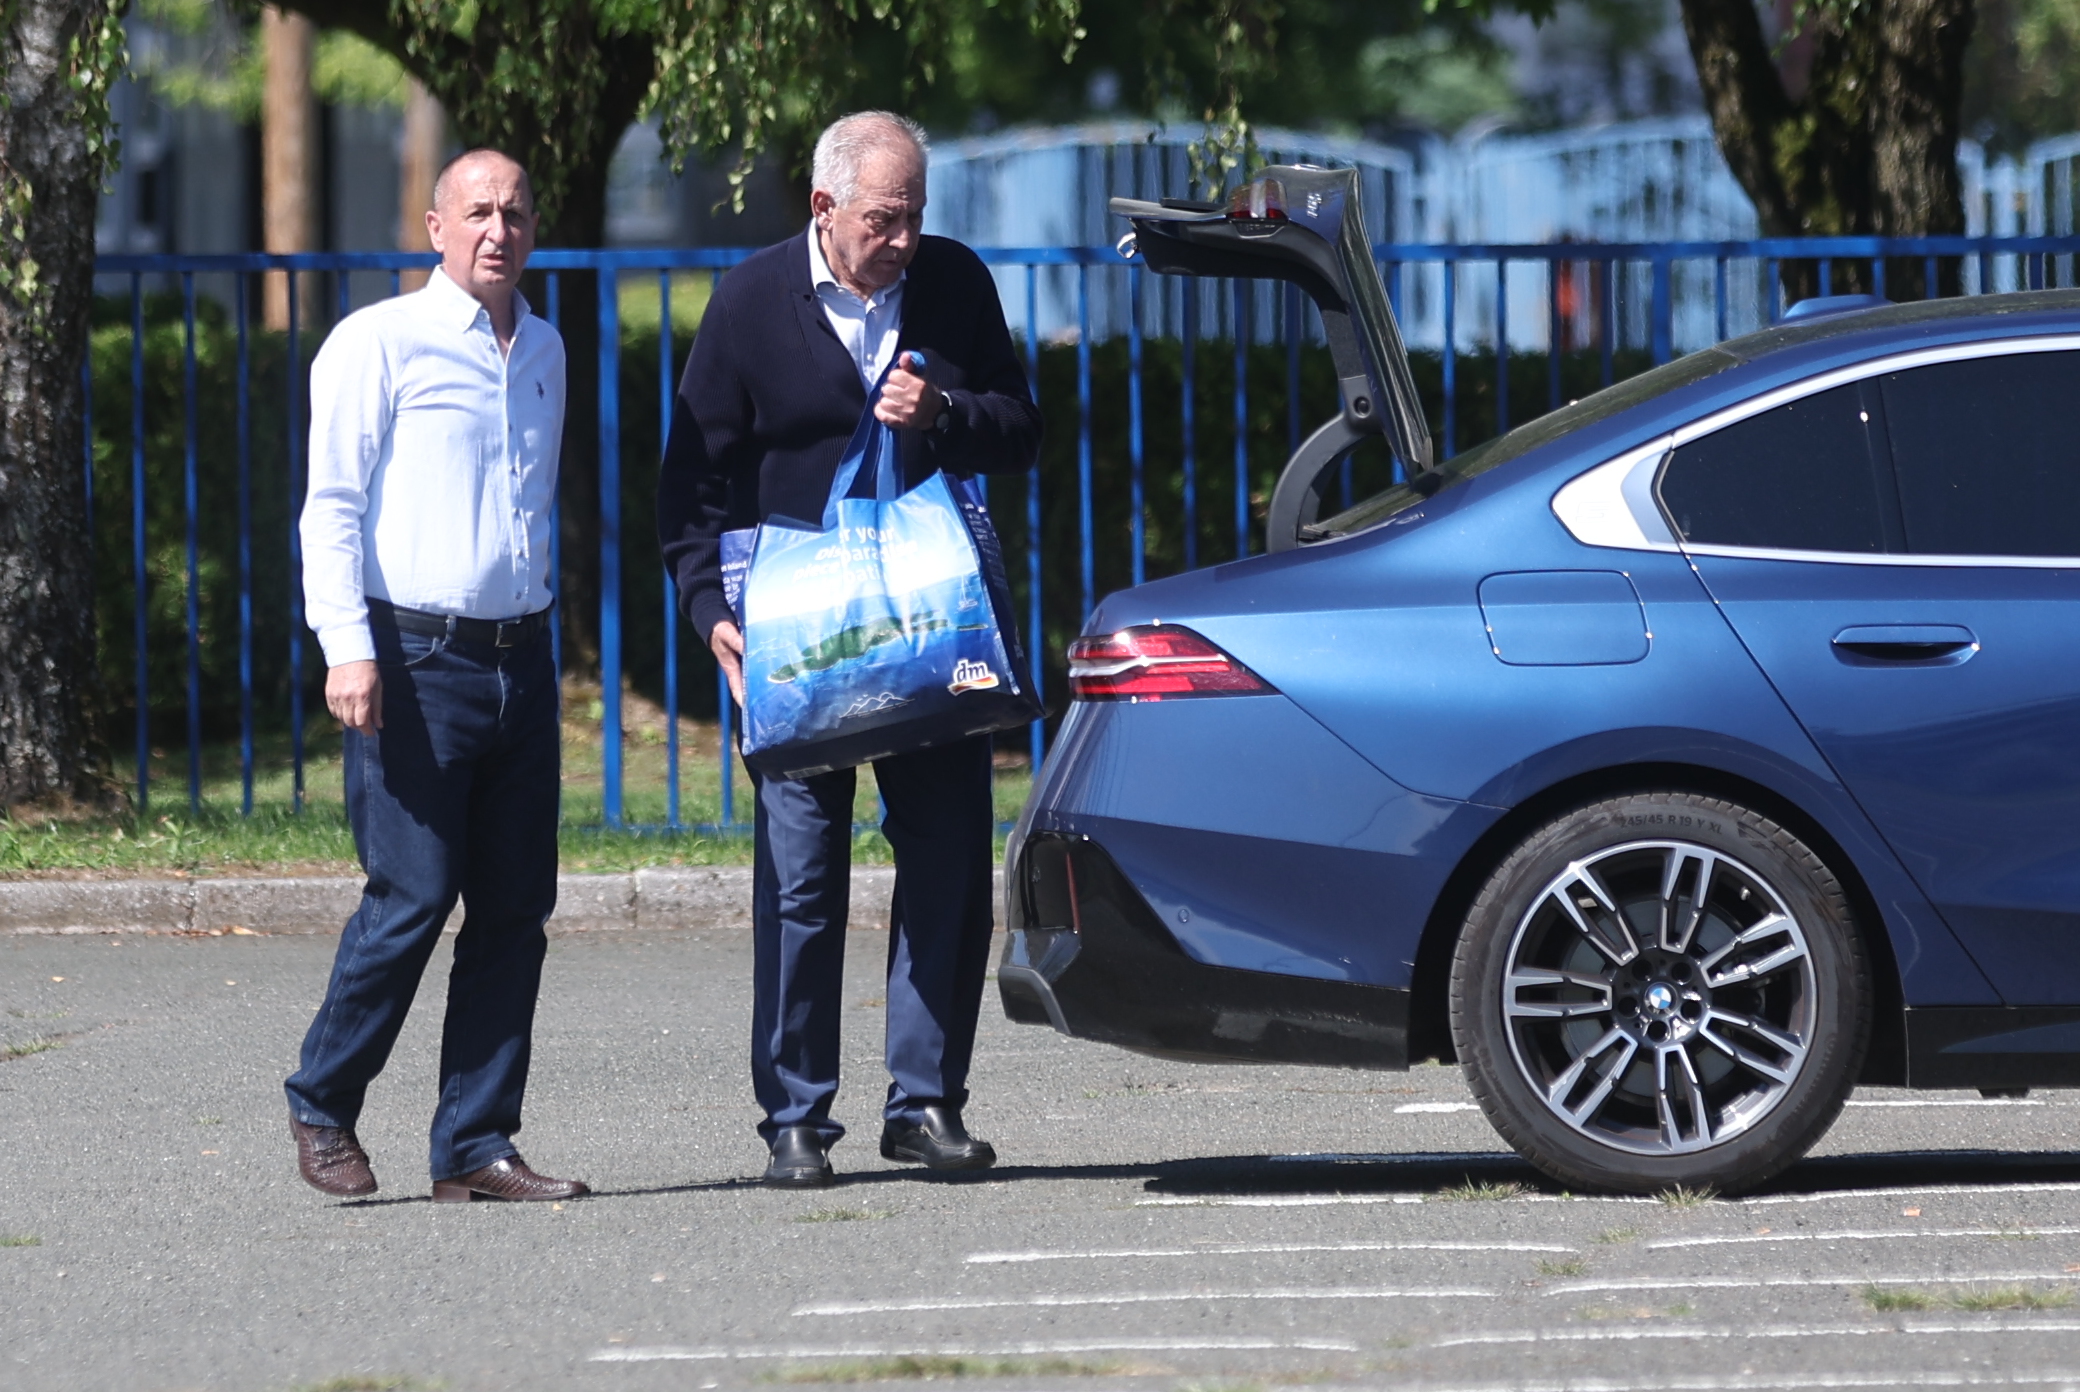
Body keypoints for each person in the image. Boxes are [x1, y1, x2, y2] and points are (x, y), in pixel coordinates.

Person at [657, 111, 1042, 1187]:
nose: (905, 239)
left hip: (930, 629)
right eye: (884, 219)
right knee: (800, 876)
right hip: (797, 636)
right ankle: (795, 1117)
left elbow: (1023, 427)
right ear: (825, 207)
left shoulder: (954, 283)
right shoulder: (749, 302)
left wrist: (946, 412)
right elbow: (691, 482)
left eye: (916, 216)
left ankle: (926, 1104)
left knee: (949, 863)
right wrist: (709, 610)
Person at [284, 148, 588, 1204]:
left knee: (514, 908)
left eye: (516, 213)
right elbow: (331, 506)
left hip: (519, 655)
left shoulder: (544, 347)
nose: (498, 230)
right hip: (413, 658)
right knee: (412, 895)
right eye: (478, 212)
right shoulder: (379, 342)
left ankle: (475, 1143)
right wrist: (347, 647)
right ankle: (323, 1099)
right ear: (435, 226)